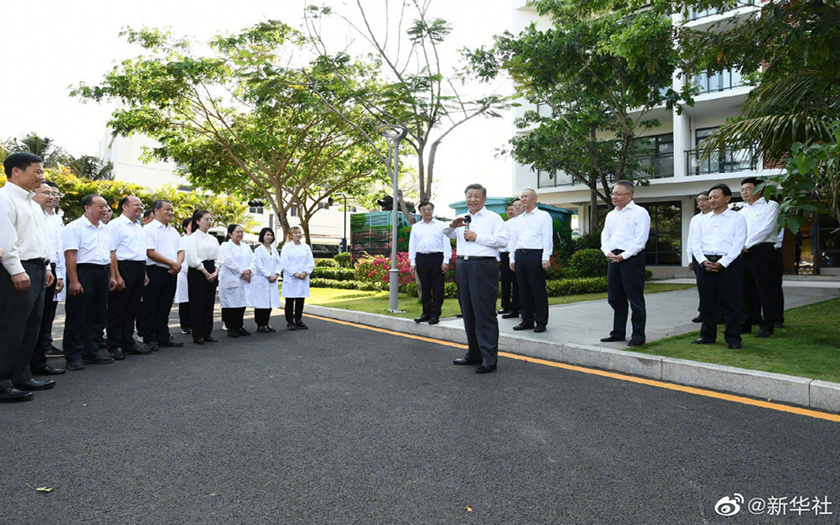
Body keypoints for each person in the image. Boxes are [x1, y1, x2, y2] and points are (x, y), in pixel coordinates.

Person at [0, 152, 55, 401]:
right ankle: (2, 381)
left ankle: (21, 375)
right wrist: (16, 270)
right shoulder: (4, 199)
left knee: (31, 327)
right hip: (18, 269)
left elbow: (39, 241)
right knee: (11, 327)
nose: (41, 176)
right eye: (37, 171)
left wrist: (46, 268)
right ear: (16, 171)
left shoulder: (32, 204)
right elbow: (6, 240)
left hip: (36, 268)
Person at [443, 183, 508, 374]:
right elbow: (445, 235)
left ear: (484, 199)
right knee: (468, 311)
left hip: (484, 265)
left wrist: (477, 237)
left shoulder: (493, 218)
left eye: (476, 196)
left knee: (484, 312)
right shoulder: (462, 218)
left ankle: (489, 358)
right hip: (463, 265)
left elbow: (503, 241)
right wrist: (451, 226)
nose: (472, 199)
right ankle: (473, 353)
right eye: (469, 196)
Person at [691, 184, 747, 349]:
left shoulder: (738, 218)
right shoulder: (699, 220)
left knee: (732, 303)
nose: (712, 200)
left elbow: (738, 244)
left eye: (715, 197)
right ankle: (707, 335)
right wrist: (702, 261)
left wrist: (722, 263)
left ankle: (733, 338)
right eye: (710, 197)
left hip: (730, 264)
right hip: (705, 263)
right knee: (707, 302)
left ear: (727, 198)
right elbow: (695, 243)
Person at [61, 194, 114, 370]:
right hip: (84, 272)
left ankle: (91, 351)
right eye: (101, 206)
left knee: (98, 314)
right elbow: (70, 255)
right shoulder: (74, 227)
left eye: (106, 206)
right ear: (87, 207)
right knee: (78, 315)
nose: (105, 209)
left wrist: (113, 276)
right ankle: (73, 355)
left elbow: (111, 254)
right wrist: (74, 281)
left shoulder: (105, 229)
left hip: (103, 272)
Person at [599, 181, 651, 347]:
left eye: (618, 194)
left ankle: (638, 334)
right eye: (613, 194)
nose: (614, 197)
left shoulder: (640, 213)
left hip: (631, 259)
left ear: (630, 195)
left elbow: (640, 240)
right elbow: (605, 236)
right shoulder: (611, 214)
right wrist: (607, 251)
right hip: (613, 258)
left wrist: (624, 256)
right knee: (615, 298)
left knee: (635, 298)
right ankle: (618, 332)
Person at [105, 196, 151, 359]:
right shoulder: (115, 225)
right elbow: (112, 251)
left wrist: (144, 273)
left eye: (141, 205)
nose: (140, 207)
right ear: (124, 206)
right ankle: (114, 344)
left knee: (132, 307)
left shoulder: (139, 226)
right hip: (123, 267)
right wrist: (116, 275)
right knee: (118, 307)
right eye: (136, 205)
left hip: (138, 267)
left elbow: (140, 251)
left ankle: (128, 341)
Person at [739, 177, 784, 337]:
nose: (744, 192)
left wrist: (746, 244)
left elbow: (767, 229)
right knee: (745, 291)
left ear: (759, 190)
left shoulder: (771, 205)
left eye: (748, 188)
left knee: (766, 290)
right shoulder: (742, 211)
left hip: (763, 251)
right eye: (743, 189)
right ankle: (745, 323)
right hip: (743, 253)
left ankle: (768, 325)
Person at [31, 181, 65, 375]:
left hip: (50, 268)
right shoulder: (32, 214)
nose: (52, 196)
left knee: (45, 316)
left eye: (53, 193)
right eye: (47, 193)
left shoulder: (56, 219)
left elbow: (56, 249)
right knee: (32, 319)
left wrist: (58, 274)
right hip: (34, 266)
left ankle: (39, 360)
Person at [142, 199, 184, 352]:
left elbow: (181, 250)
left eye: (172, 209)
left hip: (172, 272)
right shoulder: (148, 230)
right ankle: (150, 338)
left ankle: (163, 336)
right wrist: (171, 263)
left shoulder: (173, 231)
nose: (170, 212)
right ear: (156, 211)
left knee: (165, 306)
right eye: (167, 209)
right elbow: (150, 252)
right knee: (150, 306)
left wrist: (177, 264)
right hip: (155, 271)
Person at [509, 188, 553, 333]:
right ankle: (527, 320)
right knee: (523, 289)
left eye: (526, 196)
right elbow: (514, 239)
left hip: (536, 254)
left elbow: (547, 237)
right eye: (521, 196)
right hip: (520, 254)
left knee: (537, 289)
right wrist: (512, 257)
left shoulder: (543, 216)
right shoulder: (518, 219)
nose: (523, 199)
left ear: (535, 198)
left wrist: (546, 257)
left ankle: (541, 321)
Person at [408, 201, 452, 325]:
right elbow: (412, 245)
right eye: (424, 210)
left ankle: (435, 314)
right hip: (422, 259)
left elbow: (446, 244)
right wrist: (413, 262)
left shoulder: (442, 225)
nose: (426, 212)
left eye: (428, 209)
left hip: (437, 258)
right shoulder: (416, 227)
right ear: (420, 212)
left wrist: (446, 260)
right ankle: (425, 313)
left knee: (438, 288)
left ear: (432, 210)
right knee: (425, 287)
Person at [185, 210, 221, 344]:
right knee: (197, 304)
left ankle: (207, 333)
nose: (209, 222)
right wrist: (206, 273)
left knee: (209, 303)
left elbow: (219, 257)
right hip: (198, 272)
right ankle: (198, 334)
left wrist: (215, 272)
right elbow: (193, 259)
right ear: (198, 221)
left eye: (211, 219)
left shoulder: (213, 239)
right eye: (206, 219)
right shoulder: (192, 238)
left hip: (212, 269)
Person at [219, 224, 253, 338]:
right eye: (237, 232)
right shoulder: (225, 246)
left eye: (241, 232)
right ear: (230, 234)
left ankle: (239, 326)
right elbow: (229, 262)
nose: (240, 234)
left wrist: (249, 270)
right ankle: (231, 327)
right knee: (230, 304)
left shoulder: (246, 247)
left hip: (244, 279)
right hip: (231, 278)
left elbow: (253, 260)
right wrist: (243, 272)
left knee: (241, 303)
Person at [280, 226, 315, 330]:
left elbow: (310, 261)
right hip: (291, 278)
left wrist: (305, 272)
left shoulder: (306, 247)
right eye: (296, 233)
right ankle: (290, 321)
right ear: (291, 235)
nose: (298, 234)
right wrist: (294, 273)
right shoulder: (286, 247)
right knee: (290, 300)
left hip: (303, 277)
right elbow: (284, 262)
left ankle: (298, 320)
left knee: (300, 299)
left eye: (300, 232)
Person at [249, 227, 282, 333]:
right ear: (262, 236)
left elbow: (279, 263)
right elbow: (258, 265)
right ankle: (260, 325)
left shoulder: (274, 250)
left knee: (269, 303)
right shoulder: (259, 250)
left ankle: (266, 323)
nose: (269, 237)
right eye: (267, 235)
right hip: (262, 280)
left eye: (271, 235)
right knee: (261, 303)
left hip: (273, 279)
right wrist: (268, 275)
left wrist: (276, 274)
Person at [686, 191, 711, 323]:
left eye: (704, 199)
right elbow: (691, 240)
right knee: (702, 286)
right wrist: (690, 259)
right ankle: (703, 312)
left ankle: (719, 313)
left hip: (711, 255)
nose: (701, 202)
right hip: (697, 256)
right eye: (699, 200)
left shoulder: (715, 217)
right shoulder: (695, 219)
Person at [498, 200, 521, 319]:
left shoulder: (520, 222)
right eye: (510, 209)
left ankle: (517, 307)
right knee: (506, 282)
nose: (512, 211)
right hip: (505, 254)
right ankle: (505, 306)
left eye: (515, 208)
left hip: (517, 254)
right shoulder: (506, 224)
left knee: (518, 283)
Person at [174, 217, 192, 335]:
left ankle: (193, 323)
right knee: (185, 300)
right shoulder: (183, 240)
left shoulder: (196, 239)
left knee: (194, 300)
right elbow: (181, 256)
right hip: (185, 272)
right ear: (185, 228)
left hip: (196, 272)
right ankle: (185, 325)